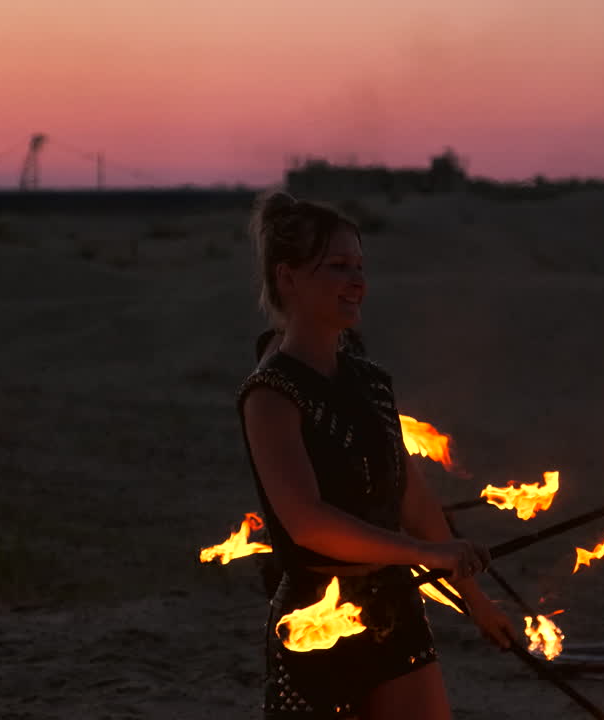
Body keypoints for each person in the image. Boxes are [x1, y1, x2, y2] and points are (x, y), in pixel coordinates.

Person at [237, 190, 519, 719]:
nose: (357, 282)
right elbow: (307, 523)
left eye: (360, 266)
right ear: (288, 278)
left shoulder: (370, 382)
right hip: (317, 625)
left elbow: (411, 497)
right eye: (338, 267)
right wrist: (429, 556)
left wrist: (479, 604)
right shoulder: (271, 394)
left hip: (394, 610)